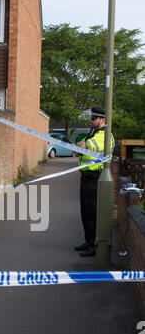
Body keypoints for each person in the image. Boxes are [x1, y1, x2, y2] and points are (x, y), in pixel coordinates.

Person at [75, 107, 115, 257]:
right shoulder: (94, 133)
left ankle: (93, 246)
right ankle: (88, 241)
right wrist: (79, 146)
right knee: (85, 211)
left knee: (92, 213)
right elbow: (77, 149)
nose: (91, 120)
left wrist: (80, 145)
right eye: (91, 117)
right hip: (86, 177)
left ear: (102, 120)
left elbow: (82, 146)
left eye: (94, 118)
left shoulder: (105, 135)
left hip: (94, 178)